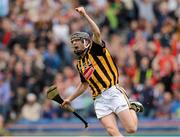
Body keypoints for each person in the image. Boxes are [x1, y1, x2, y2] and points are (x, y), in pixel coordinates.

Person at [50, 7, 144, 136]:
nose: (74, 44)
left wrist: (85, 15)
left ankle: (132, 106)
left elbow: (97, 32)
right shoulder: (80, 64)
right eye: (73, 42)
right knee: (112, 131)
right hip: (99, 99)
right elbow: (84, 84)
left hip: (112, 91)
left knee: (131, 129)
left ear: (86, 42)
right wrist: (70, 99)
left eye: (77, 41)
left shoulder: (95, 50)